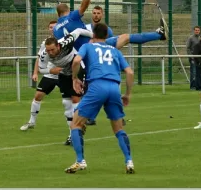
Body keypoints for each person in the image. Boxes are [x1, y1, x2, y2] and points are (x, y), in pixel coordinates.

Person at [64, 23, 135, 174]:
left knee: (75, 124)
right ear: (107, 36)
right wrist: (127, 94)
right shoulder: (115, 50)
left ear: (93, 34)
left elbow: (76, 61)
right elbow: (129, 73)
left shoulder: (88, 46)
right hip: (114, 89)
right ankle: (129, 161)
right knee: (118, 128)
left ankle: (80, 161)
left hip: (97, 86)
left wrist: (74, 78)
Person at [42, 28, 94, 145]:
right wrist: (50, 69)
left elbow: (79, 30)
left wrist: (93, 36)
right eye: (48, 50)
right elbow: (41, 68)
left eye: (52, 50)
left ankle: (79, 128)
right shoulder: (44, 53)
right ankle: (73, 134)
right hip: (64, 74)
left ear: (58, 46)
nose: (50, 52)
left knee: (75, 98)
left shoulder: (66, 41)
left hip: (77, 69)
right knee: (66, 104)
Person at [20, 21, 69, 132]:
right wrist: (35, 72)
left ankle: (77, 124)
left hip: (65, 74)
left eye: (54, 27)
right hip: (50, 74)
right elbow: (39, 58)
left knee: (71, 99)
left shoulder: (66, 40)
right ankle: (31, 122)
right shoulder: (45, 43)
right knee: (38, 96)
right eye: (50, 27)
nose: (52, 29)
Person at [186, 26, 201, 90]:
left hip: (200, 58)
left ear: (200, 31)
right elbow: (188, 48)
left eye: (198, 30)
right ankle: (192, 86)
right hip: (193, 58)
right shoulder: (191, 38)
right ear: (194, 31)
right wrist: (191, 56)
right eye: (196, 30)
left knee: (200, 72)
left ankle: (199, 85)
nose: (197, 31)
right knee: (193, 72)